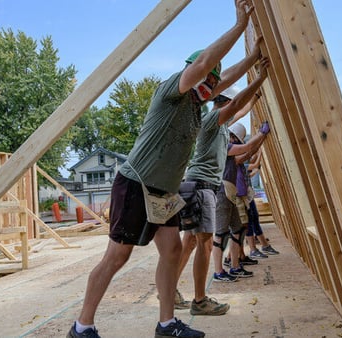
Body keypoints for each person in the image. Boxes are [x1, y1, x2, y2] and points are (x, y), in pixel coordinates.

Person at [68, 2, 255, 337]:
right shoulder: (173, 90)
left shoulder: (199, 109)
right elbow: (204, 63)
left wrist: (254, 59)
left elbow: (225, 77)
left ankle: (166, 324)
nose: (210, 83)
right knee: (117, 257)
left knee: (171, 251)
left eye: (212, 82)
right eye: (208, 78)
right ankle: (82, 326)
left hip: (165, 192)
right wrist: (240, 26)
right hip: (137, 184)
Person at [174, 55, 270, 315]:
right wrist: (258, 78)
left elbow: (240, 108)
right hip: (202, 185)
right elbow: (237, 105)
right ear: (223, 103)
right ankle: (200, 300)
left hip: (194, 184)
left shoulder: (218, 124)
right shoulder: (213, 121)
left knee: (190, 243)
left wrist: (256, 97)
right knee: (204, 244)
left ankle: (171, 290)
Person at [213, 121, 270, 281]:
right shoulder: (225, 146)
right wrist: (262, 135)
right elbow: (245, 152)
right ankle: (219, 271)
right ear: (232, 137)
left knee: (238, 230)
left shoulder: (229, 147)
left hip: (229, 193)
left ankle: (235, 266)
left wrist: (261, 139)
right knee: (220, 234)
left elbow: (246, 154)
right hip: (223, 193)